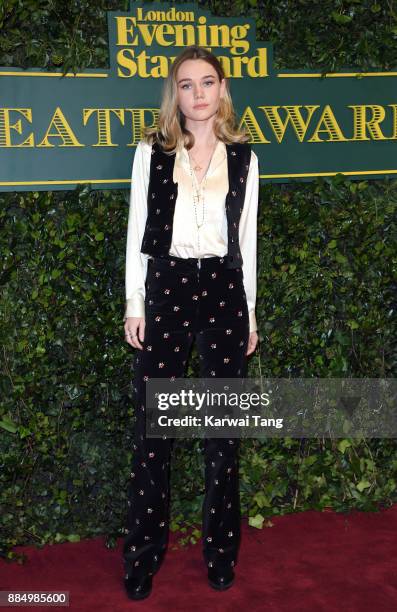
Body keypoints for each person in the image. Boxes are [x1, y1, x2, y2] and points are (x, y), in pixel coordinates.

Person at [122, 44, 259, 600]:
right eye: (186, 84)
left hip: (224, 294)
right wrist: (136, 303)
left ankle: (221, 554)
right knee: (155, 434)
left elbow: (247, 243)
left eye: (207, 83)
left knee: (222, 437)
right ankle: (142, 557)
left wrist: (250, 312)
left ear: (222, 90)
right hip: (169, 290)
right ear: (174, 94)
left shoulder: (247, 158)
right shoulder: (150, 153)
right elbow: (137, 233)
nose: (198, 93)